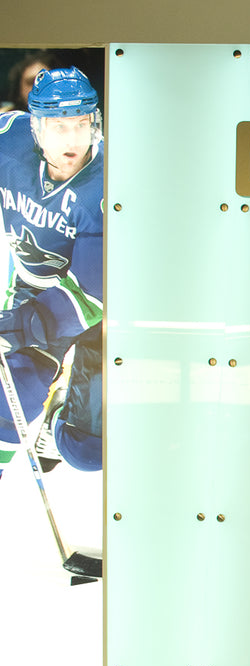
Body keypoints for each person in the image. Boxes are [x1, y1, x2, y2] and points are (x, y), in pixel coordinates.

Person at [0, 66, 104, 480]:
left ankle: (62, 407)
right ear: (36, 128)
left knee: (87, 449)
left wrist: (19, 327)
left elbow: (91, 297)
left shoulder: (108, 186)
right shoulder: (9, 136)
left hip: (97, 306)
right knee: (16, 389)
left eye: (82, 124)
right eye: (59, 127)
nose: (73, 140)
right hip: (34, 284)